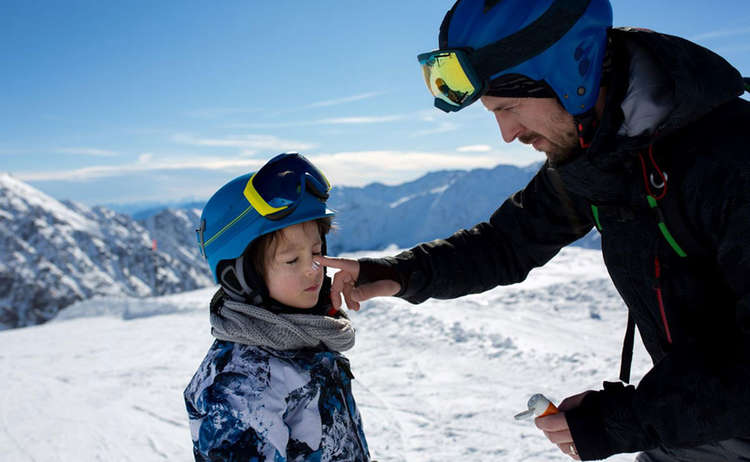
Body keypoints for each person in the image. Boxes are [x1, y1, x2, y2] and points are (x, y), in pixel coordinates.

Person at [316, 0, 750, 461]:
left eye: (510, 106)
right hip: (710, 422)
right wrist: (397, 272)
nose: (506, 132)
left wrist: (623, 419)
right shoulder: (603, 152)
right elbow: (507, 242)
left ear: (572, 73)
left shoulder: (731, 160)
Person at [184, 153, 370, 461]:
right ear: (241, 278)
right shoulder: (237, 388)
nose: (313, 268)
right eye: (291, 260)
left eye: (316, 251)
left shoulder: (308, 340)